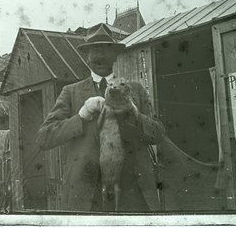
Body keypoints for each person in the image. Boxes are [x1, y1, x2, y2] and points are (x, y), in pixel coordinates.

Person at [37, 23, 165, 212]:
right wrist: (81, 115)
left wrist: (135, 115)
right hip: (87, 196)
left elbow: (159, 134)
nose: (100, 56)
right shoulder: (70, 92)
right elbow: (44, 138)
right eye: (94, 50)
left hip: (133, 193)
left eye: (106, 50)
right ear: (86, 56)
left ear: (114, 55)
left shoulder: (134, 90)